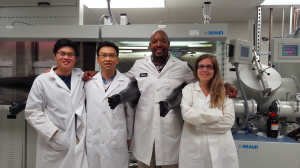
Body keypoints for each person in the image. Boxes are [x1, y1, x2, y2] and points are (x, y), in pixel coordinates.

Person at [83, 30, 238, 168]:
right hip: (145, 127)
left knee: (170, 163)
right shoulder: (139, 65)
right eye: (155, 41)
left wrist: (226, 84)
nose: (159, 44)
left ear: (168, 44)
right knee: (145, 164)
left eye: (163, 41)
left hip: (170, 128)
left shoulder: (181, 67)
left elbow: (202, 79)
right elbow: (121, 79)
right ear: (150, 45)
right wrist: (97, 73)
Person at [25, 38, 89, 168]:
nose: (66, 57)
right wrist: (55, 134)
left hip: (79, 140)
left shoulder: (80, 76)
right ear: (55, 55)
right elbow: (32, 112)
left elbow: (100, 76)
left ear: (75, 57)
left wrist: (92, 73)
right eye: (62, 53)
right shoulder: (42, 80)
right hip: (55, 141)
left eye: (70, 54)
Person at [179, 54, 239, 168]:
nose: (204, 70)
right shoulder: (189, 90)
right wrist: (217, 114)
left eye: (209, 67)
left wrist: (197, 124)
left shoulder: (223, 91)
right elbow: (187, 115)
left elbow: (228, 122)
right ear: (196, 69)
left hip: (221, 149)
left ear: (214, 70)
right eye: (201, 66)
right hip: (195, 150)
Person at [85, 41, 135, 168]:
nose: (108, 59)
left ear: (117, 59)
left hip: (117, 137)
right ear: (98, 59)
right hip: (93, 136)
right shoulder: (88, 82)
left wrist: (129, 136)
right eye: (104, 55)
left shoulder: (126, 82)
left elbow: (129, 113)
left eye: (112, 55)